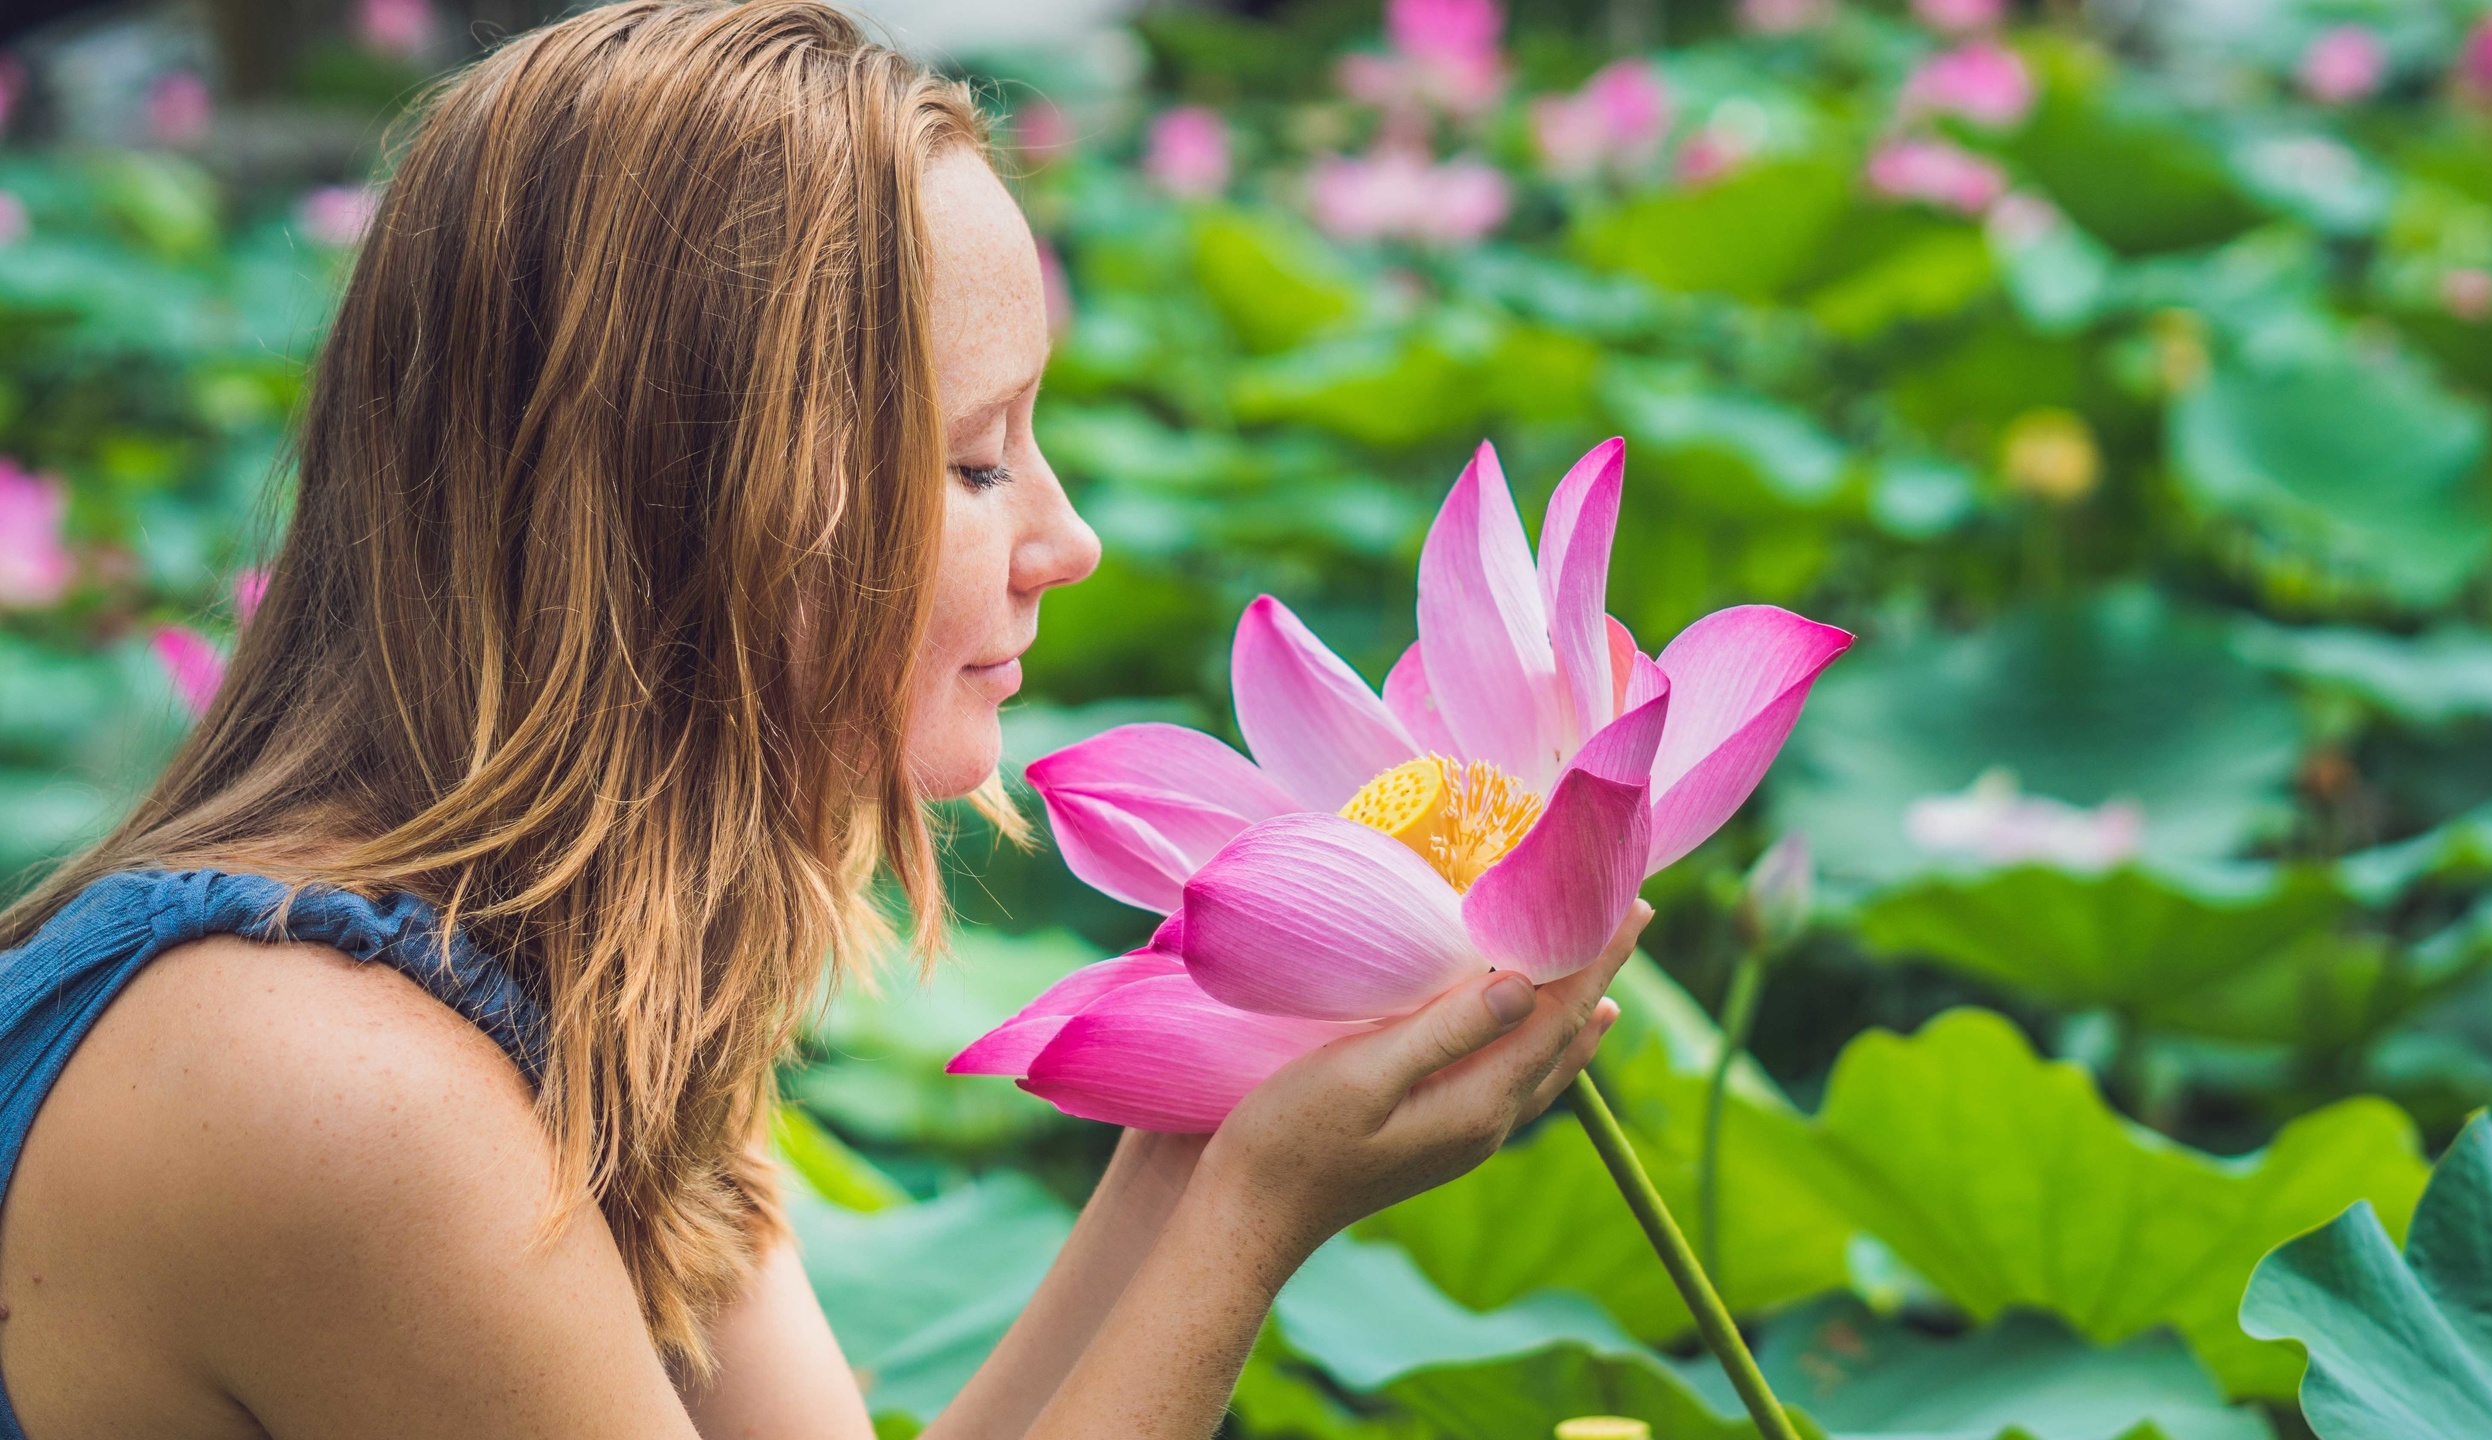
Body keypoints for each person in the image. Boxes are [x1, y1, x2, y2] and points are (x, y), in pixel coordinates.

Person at [0, 3, 1644, 1436]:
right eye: (981, 460)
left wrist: (1201, 1151)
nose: (1071, 544)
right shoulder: (344, 1088)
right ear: (695, 509)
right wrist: (1257, 1226)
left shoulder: (576, 983)